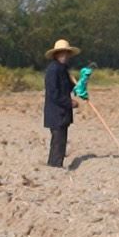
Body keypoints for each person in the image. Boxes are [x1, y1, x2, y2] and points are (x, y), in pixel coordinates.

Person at [43, 39, 79, 167]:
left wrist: (79, 88)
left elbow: (69, 87)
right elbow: (54, 94)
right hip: (56, 113)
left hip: (63, 114)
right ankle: (55, 166)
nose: (64, 56)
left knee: (60, 142)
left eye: (66, 53)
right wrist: (70, 103)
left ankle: (55, 165)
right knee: (58, 143)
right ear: (56, 54)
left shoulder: (64, 70)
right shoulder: (53, 70)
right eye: (62, 53)